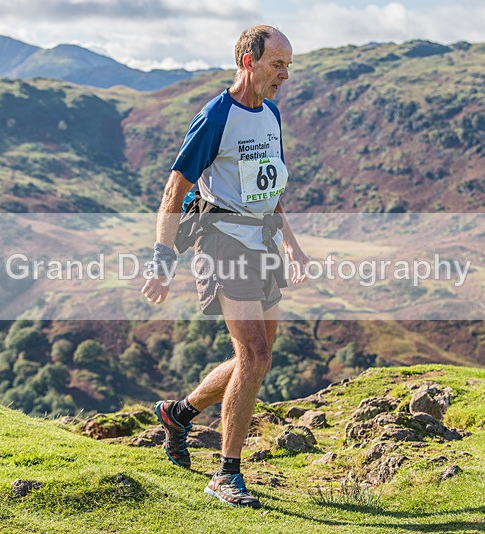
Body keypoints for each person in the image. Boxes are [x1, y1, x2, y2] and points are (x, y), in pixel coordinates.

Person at [141, 24, 309, 509]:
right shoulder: (216, 115)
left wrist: (293, 245)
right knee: (254, 354)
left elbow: (268, 190)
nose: (284, 75)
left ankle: (178, 413)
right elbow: (174, 190)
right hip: (222, 242)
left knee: (255, 360)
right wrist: (161, 259)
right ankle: (226, 475)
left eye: (288, 66)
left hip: (264, 243)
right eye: (277, 64)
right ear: (248, 61)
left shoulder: (272, 115)